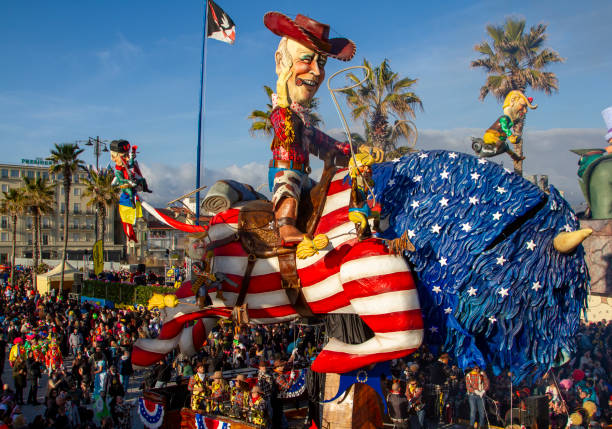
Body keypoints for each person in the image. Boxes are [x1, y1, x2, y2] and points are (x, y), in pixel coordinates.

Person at [263, 12, 353, 251]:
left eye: (321, 63)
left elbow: (323, 144)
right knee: (289, 189)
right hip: (286, 172)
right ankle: (285, 226)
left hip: (304, 175)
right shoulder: (283, 112)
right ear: (282, 62)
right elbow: (284, 133)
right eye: (306, 59)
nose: (315, 71)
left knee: (323, 194)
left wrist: (348, 150)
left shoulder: (302, 118)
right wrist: (282, 93)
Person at [474, 90, 537, 161]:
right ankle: (481, 150)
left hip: (499, 140)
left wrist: (516, 157)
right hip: (492, 137)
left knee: (505, 147)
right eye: (522, 106)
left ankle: (516, 158)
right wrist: (511, 136)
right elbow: (504, 127)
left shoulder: (511, 121)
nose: (525, 111)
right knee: (498, 147)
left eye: (525, 108)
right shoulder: (504, 118)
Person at [465, 364, 489, 429]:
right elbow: (468, 386)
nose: (477, 370)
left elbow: (486, 383)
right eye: (475, 368)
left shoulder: (482, 374)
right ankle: (471, 425)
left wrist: (483, 391)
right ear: (472, 369)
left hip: (481, 395)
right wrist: (476, 391)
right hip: (472, 395)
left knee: (482, 411)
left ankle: (481, 425)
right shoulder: (468, 375)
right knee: (473, 411)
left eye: (478, 368)